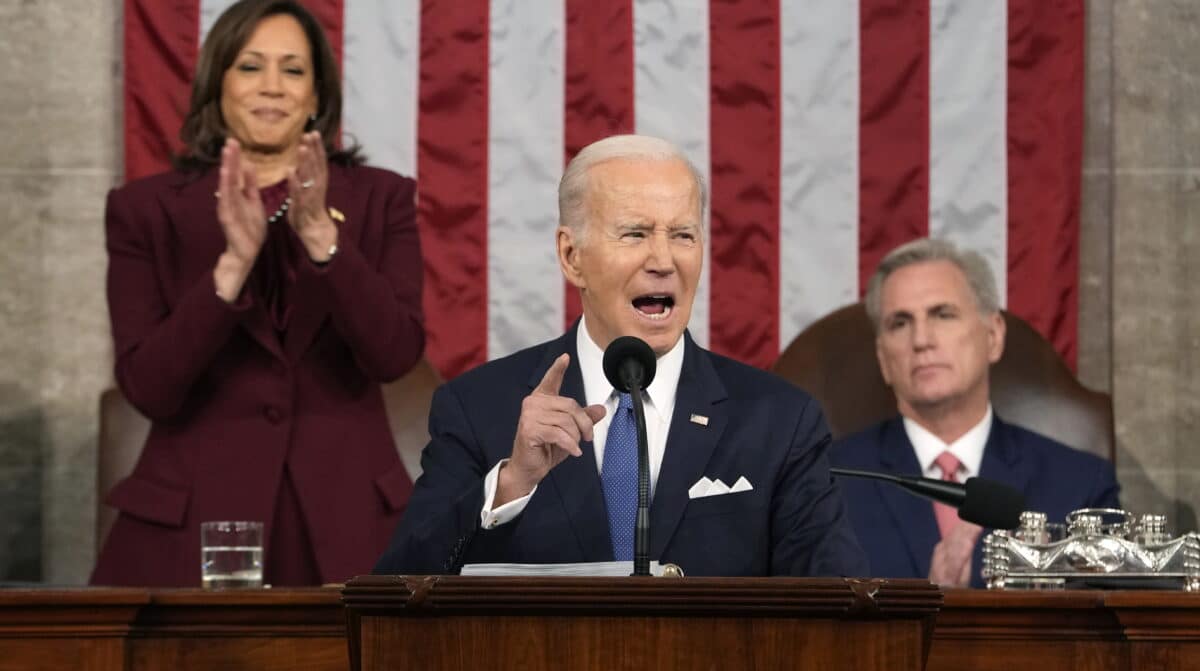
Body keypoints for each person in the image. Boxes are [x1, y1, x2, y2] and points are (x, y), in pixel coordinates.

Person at [374, 134, 865, 577]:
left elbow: (837, 601)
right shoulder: (480, 409)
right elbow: (402, 589)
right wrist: (511, 486)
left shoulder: (779, 421)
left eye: (683, 235)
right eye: (635, 233)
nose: (663, 260)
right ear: (572, 257)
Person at [91, 0, 424, 586]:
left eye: (293, 70)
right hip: (193, 523)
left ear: (316, 96)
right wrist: (232, 266)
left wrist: (324, 240)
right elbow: (149, 388)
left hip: (345, 521)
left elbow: (395, 355)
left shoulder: (381, 201)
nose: (272, 87)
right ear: (217, 85)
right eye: (250, 67)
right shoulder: (143, 211)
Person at [832, 238, 1120, 587]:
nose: (922, 339)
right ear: (883, 358)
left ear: (994, 336)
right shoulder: (830, 483)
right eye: (900, 323)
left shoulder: (1080, 485)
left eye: (943, 314)